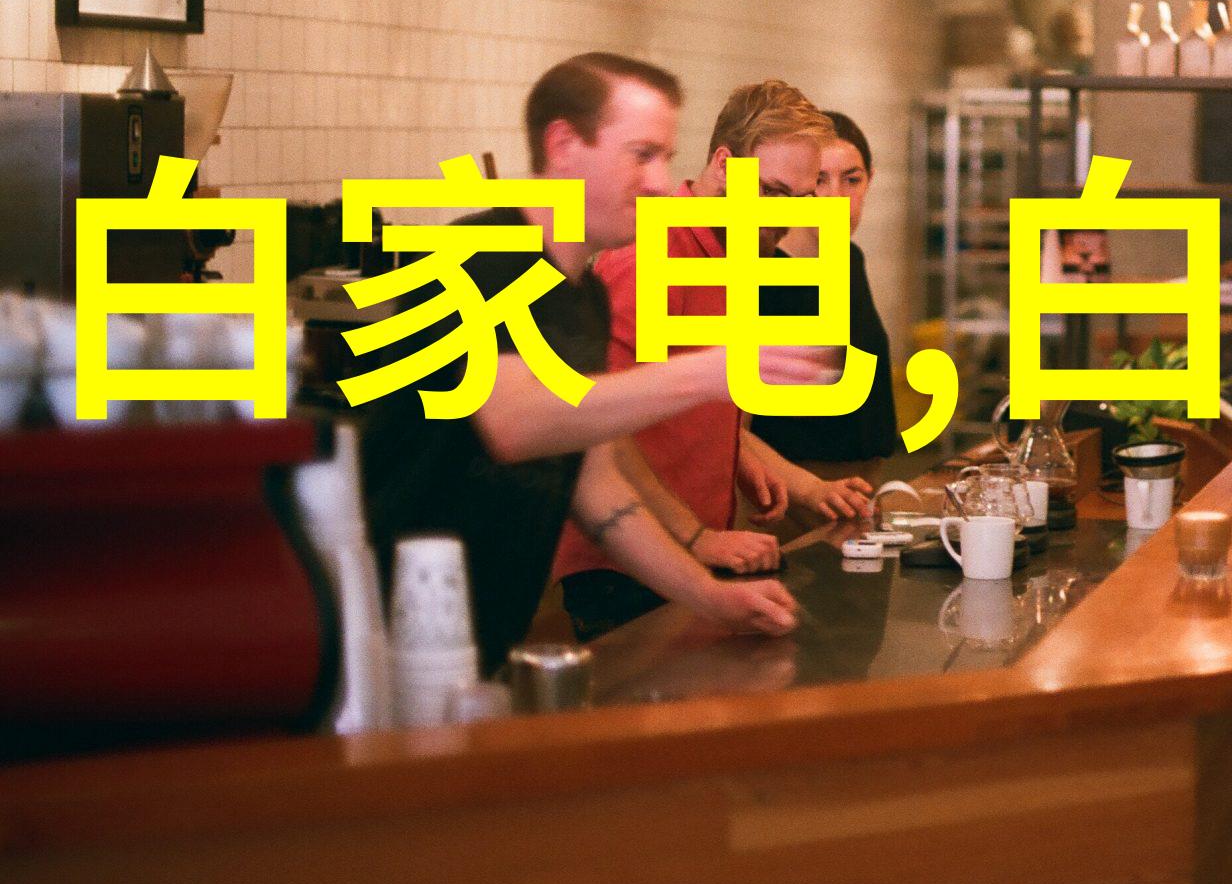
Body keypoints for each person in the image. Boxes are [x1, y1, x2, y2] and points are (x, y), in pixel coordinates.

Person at [358, 53, 819, 672]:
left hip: (481, 630)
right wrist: (710, 371)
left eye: (665, 157)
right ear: (564, 145)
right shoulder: (477, 254)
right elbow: (514, 421)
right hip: (381, 626)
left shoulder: (586, 296)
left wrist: (711, 596)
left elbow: (597, 487)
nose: (660, 183)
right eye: (641, 155)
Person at [554, 82, 873, 639]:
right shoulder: (652, 254)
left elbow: (685, 400)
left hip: (693, 552)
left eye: (800, 198)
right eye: (771, 192)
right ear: (725, 165)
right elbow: (601, 428)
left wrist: (769, 469)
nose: (785, 217)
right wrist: (694, 536)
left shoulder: (738, 253)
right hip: (626, 562)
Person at [752, 110, 900, 468]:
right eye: (820, 180)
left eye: (852, 180)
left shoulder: (850, 258)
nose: (836, 198)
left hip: (864, 476)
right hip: (793, 485)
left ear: (870, 179)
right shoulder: (764, 274)